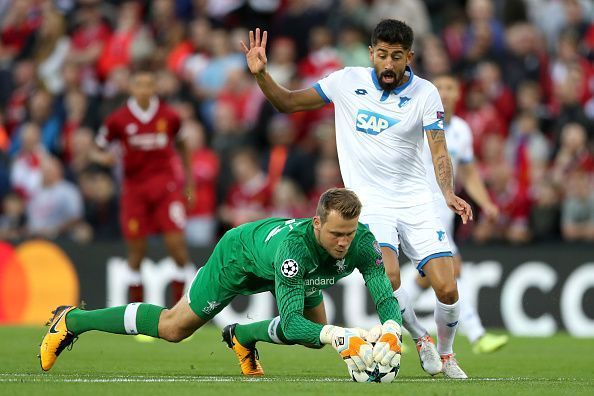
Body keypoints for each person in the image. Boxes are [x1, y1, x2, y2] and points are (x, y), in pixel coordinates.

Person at [242, 20, 472, 378]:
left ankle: (446, 354)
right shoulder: (346, 81)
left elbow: (438, 148)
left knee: (447, 286)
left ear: (408, 57)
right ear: (371, 54)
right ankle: (420, 338)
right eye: (382, 55)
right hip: (371, 204)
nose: (388, 64)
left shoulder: (426, 93)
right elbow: (287, 102)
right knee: (390, 276)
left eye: (396, 57)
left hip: (415, 200)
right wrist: (262, 75)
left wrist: (447, 192)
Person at [39, 188, 403, 377]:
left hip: (296, 269)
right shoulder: (295, 251)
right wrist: (344, 336)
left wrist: (391, 330)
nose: (344, 243)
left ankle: (242, 336)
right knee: (172, 328)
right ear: (317, 223)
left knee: (314, 336)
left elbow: (384, 292)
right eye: (337, 233)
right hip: (238, 259)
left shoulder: (362, 242)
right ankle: (71, 321)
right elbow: (291, 321)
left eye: (349, 234)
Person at [403, 73, 509, 354]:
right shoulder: (415, 121)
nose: (446, 93)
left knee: (429, 276)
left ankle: (391, 320)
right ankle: (477, 334)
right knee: (451, 268)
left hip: (445, 210)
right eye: (441, 88)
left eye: (451, 87)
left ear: (459, 93)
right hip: (419, 208)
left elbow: (468, 171)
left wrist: (486, 202)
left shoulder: (462, 129)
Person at [91, 65, 195, 304]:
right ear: (131, 87)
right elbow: (96, 149)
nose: (144, 89)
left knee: (177, 248)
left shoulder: (170, 116)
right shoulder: (118, 120)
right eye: (139, 84)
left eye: (149, 84)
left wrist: (189, 182)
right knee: (137, 254)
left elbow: (183, 145)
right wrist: (103, 158)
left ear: (155, 87)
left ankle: (179, 309)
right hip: (135, 190)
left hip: (165, 188)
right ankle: (137, 309)